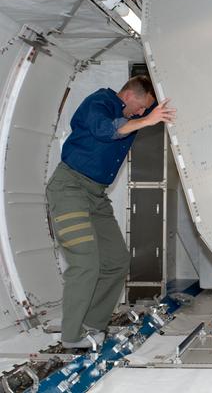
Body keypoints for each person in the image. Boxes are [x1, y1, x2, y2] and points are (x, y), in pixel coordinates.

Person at [45, 75, 176, 348]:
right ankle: (71, 337)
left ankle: (92, 325)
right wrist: (147, 120)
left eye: (146, 109)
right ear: (127, 96)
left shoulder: (135, 112)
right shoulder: (100, 102)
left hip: (96, 196)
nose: (143, 112)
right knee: (85, 263)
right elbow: (106, 130)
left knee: (117, 261)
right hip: (70, 190)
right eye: (141, 106)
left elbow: (161, 106)